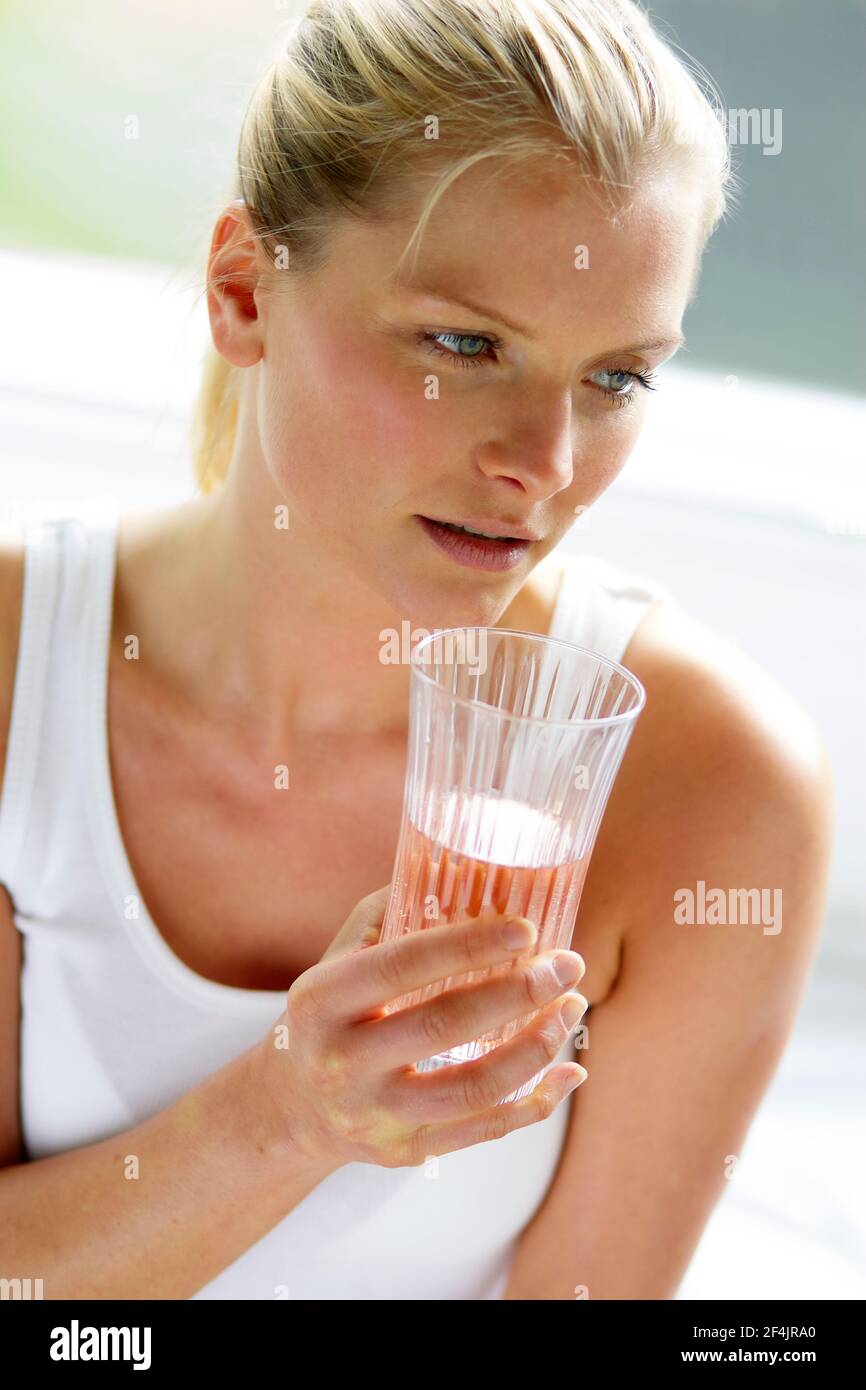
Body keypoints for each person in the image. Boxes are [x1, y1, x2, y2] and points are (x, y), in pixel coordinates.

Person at [0, 0, 833, 1300]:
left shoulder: (712, 784)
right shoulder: (17, 669)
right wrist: (288, 1115)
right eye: (464, 345)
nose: (541, 467)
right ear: (241, 288)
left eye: (614, 379)